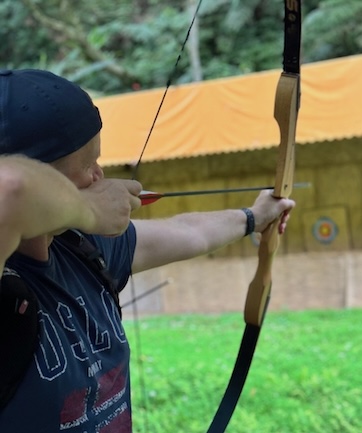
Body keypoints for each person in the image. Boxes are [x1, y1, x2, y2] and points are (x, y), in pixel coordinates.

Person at [0, 69, 295, 433]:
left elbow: (188, 232)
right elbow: (9, 190)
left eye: (99, 158)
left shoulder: (80, 248)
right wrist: (87, 207)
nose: (100, 175)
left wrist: (254, 217)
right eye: (86, 165)